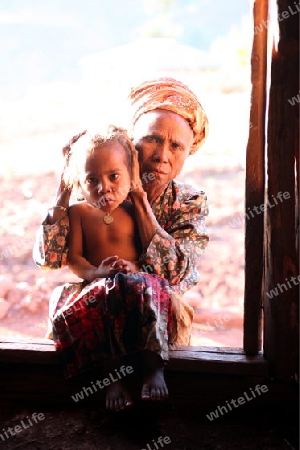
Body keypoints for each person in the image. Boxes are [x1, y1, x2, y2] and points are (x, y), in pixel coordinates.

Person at [33, 77, 209, 399]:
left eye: (176, 146)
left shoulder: (189, 201)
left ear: (187, 153)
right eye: (153, 140)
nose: (161, 155)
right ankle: (103, 380)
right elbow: (49, 259)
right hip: (102, 300)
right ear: (131, 145)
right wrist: (65, 185)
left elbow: (176, 274)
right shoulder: (102, 189)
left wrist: (141, 202)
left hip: (153, 312)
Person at [50, 125, 172, 411]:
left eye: (114, 176)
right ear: (79, 184)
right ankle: (111, 374)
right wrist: (96, 273)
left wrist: (134, 266)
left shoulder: (133, 209)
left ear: (131, 177)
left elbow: (150, 257)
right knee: (98, 301)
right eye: (91, 180)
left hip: (135, 280)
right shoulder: (78, 213)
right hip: (99, 283)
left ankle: (154, 366)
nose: (103, 187)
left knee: (148, 290)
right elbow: (75, 259)